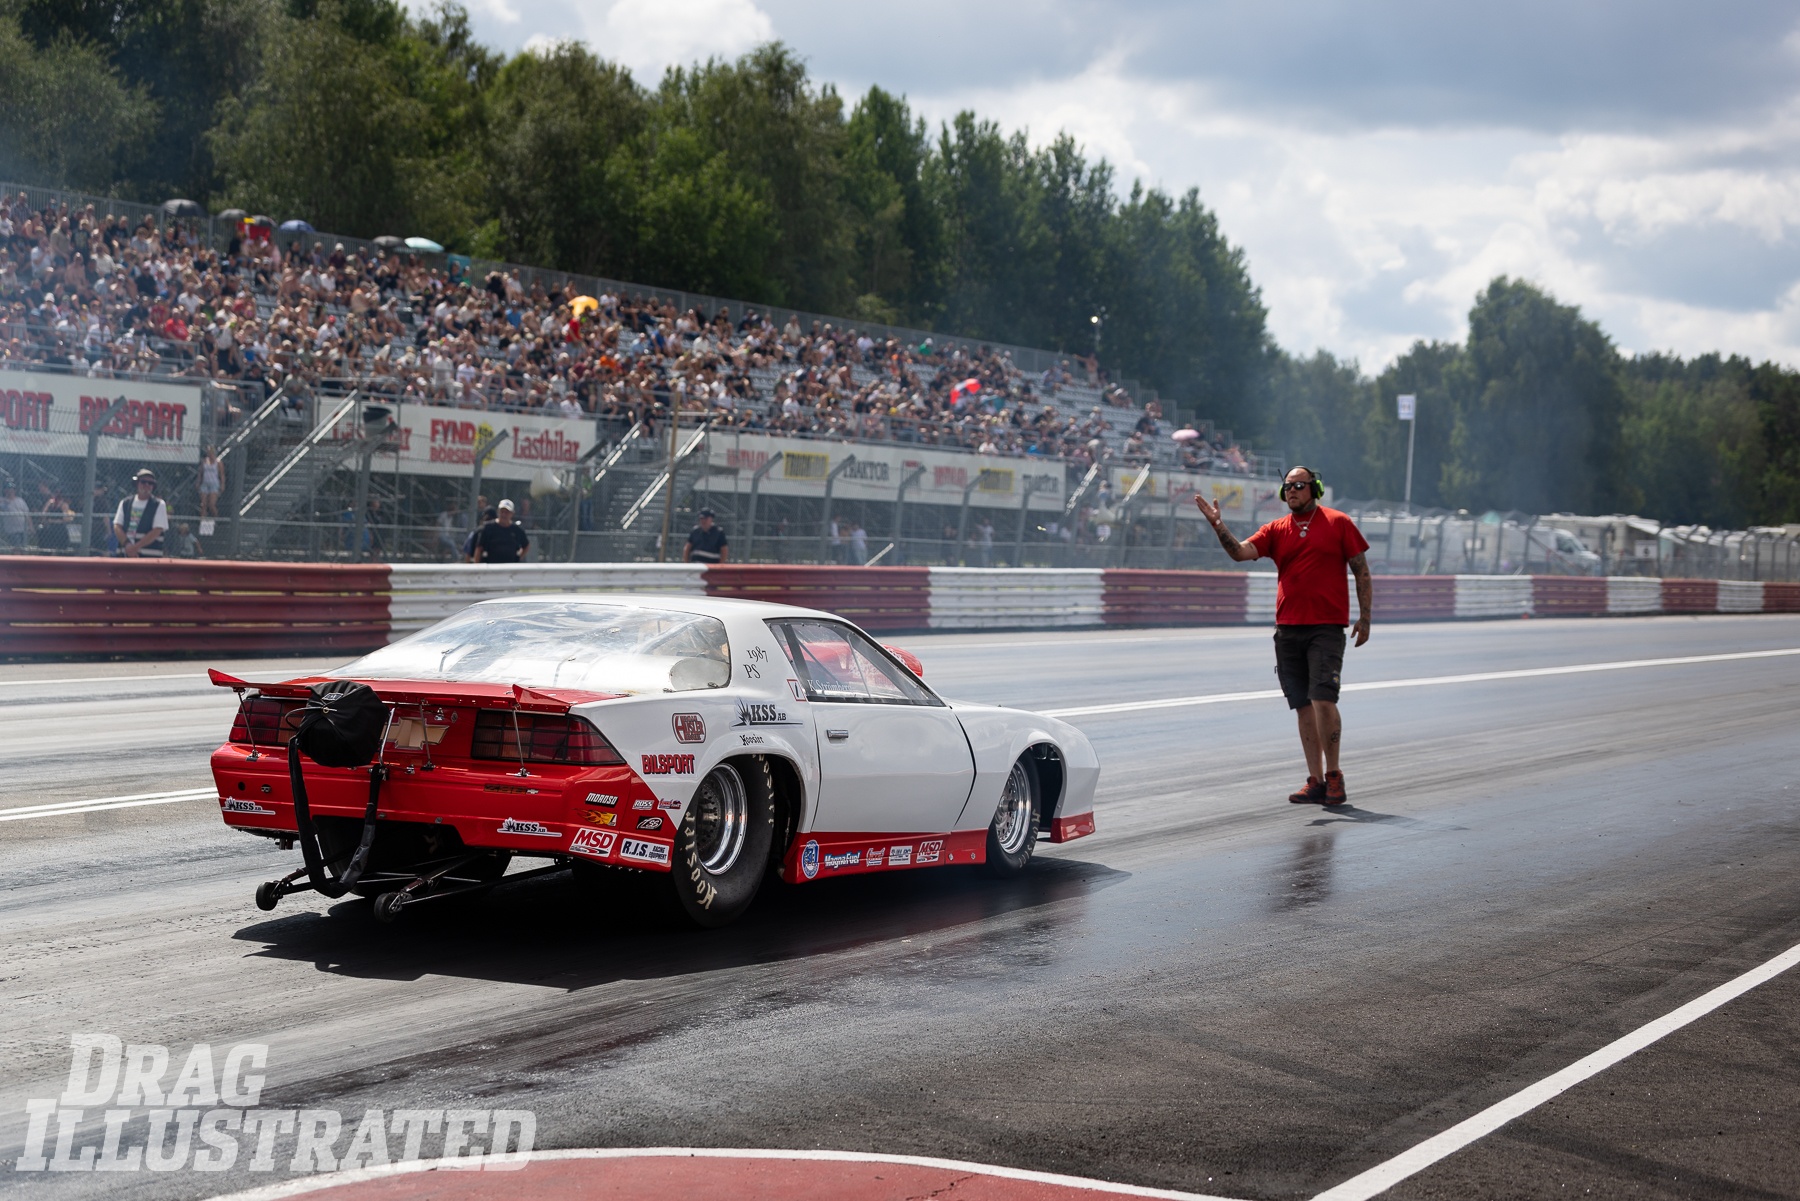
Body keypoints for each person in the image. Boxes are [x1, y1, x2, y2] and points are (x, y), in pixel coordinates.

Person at [1197, 466, 1372, 805]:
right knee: (1303, 706)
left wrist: (1365, 618)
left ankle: (1334, 776)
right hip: (1288, 630)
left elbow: (1361, 571)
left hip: (1326, 628)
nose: (1291, 490)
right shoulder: (1276, 529)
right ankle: (1315, 781)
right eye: (1287, 486)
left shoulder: (1339, 523)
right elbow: (1239, 552)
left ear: (1315, 489)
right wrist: (1218, 525)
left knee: (1323, 699)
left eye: (1299, 485)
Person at [112, 468, 169, 558]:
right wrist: (127, 545)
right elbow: (117, 526)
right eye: (143, 482)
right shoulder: (125, 503)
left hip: (149, 557)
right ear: (137, 483)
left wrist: (135, 547)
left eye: (150, 483)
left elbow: (157, 530)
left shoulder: (159, 504)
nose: (147, 485)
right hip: (124, 555)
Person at [473, 498, 530, 563]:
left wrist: (517, 558)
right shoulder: (488, 527)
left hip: (510, 566)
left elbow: (526, 545)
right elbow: (479, 548)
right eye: (502, 511)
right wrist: (477, 566)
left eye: (507, 512)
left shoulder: (517, 529)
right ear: (498, 511)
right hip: (491, 566)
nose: (503, 514)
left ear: (512, 513)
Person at [0, 483, 30, 550]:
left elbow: (27, 514)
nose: (10, 491)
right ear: (5, 490)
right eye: (8, 489)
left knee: (23, 548)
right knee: (16, 548)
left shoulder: (20, 500)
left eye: (12, 489)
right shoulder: (2, 501)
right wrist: (6, 500)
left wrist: (31, 527)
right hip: (12, 530)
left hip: (23, 529)